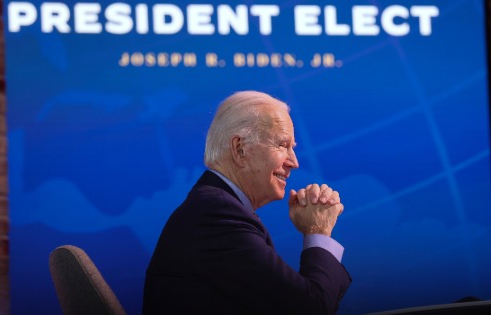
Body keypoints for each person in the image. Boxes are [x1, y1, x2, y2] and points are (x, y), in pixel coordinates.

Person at [143, 91, 351, 315]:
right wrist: (318, 230)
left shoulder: (216, 208)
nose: (294, 162)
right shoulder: (216, 216)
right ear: (239, 149)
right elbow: (311, 309)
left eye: (293, 147)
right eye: (283, 145)